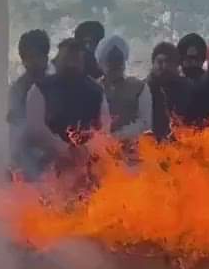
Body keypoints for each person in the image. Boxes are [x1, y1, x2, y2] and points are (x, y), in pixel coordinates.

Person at [23, 37, 108, 168]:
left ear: (83, 63)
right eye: (67, 59)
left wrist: (85, 150)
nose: (71, 64)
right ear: (56, 62)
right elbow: (35, 129)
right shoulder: (40, 89)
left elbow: (104, 129)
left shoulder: (96, 91)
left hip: (87, 164)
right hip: (47, 165)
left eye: (75, 59)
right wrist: (64, 148)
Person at [9, 29, 52, 176]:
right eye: (31, 57)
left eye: (40, 55)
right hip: (27, 162)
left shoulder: (56, 84)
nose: (36, 61)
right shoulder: (17, 91)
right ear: (23, 60)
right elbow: (17, 133)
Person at [97, 35, 151, 141]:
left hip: (133, 148)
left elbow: (146, 123)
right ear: (101, 62)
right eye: (111, 60)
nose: (115, 65)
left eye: (118, 60)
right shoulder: (93, 89)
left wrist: (121, 135)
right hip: (100, 149)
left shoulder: (139, 87)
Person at [147, 41, 193, 141]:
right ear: (153, 63)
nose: (164, 66)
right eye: (160, 61)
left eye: (168, 62)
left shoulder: (186, 87)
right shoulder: (144, 89)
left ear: (176, 65)